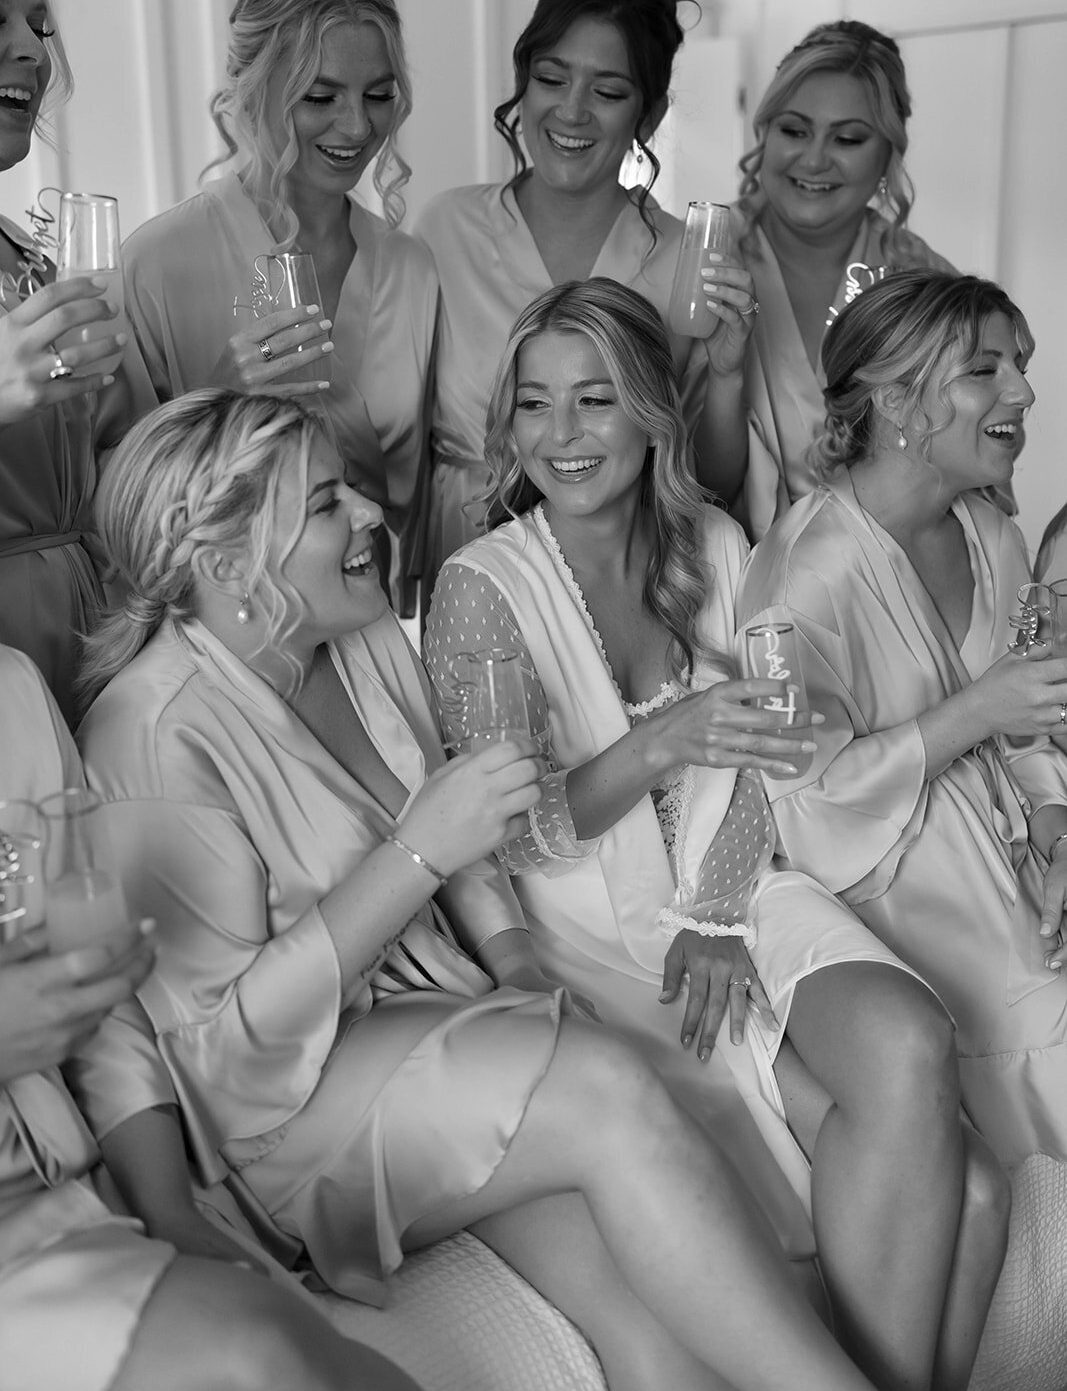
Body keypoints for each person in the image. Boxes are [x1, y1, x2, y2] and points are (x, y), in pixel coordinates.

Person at [77, 388, 888, 1391]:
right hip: (277, 1116)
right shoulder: (155, 733)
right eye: (327, 505)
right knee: (606, 1083)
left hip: (426, 1025)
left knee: (644, 1312)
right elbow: (222, 1061)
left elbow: (466, 841)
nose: (372, 515)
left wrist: (510, 960)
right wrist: (411, 853)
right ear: (226, 563)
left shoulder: (363, 639)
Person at [424, 278, 1008, 1391]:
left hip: (739, 879)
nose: (560, 435)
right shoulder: (477, 587)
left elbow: (775, 745)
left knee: (908, 1040)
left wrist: (716, 907)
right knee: (971, 1193)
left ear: (650, 409)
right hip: (584, 926)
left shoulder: (716, 541)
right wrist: (660, 741)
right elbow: (519, 833)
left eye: (593, 400)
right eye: (533, 404)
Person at [0, 642, 422, 1391]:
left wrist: (166, 1204)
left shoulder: (12, 691)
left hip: (68, 1190)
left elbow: (95, 990)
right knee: (258, 1357)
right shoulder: (157, 717)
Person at [737, 270, 1067, 1169]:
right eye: (983, 370)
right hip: (895, 889)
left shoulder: (990, 535)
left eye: (1021, 365)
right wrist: (973, 711)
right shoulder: (802, 578)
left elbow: (1030, 724)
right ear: (895, 402)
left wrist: (1053, 820)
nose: (1023, 391)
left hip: (1019, 863)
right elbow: (799, 805)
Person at [415, 0, 757, 590]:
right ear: (522, 81)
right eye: (550, 79)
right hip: (465, 550)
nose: (571, 111)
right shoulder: (445, 231)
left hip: (623, 578)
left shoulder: (687, 258)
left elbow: (707, 484)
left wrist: (728, 371)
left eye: (606, 91)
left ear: (647, 115)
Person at [121, 0, 437, 608]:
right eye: (320, 96)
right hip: (220, 639)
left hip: (378, 624)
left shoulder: (410, 269)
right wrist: (222, 412)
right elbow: (120, 503)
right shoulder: (158, 264)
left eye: (378, 94)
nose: (356, 126)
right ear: (253, 89)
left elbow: (425, 486)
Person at [699, 20, 954, 541]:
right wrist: (726, 378)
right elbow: (694, 490)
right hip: (738, 589)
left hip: (895, 586)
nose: (814, 159)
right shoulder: (702, 257)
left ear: (888, 153)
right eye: (794, 130)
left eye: (847, 138)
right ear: (764, 134)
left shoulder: (928, 285)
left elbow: (958, 479)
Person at [0, 0, 156, 722]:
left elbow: (109, 451)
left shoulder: (32, 256)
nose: (29, 47)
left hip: (86, 629)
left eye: (39, 25)